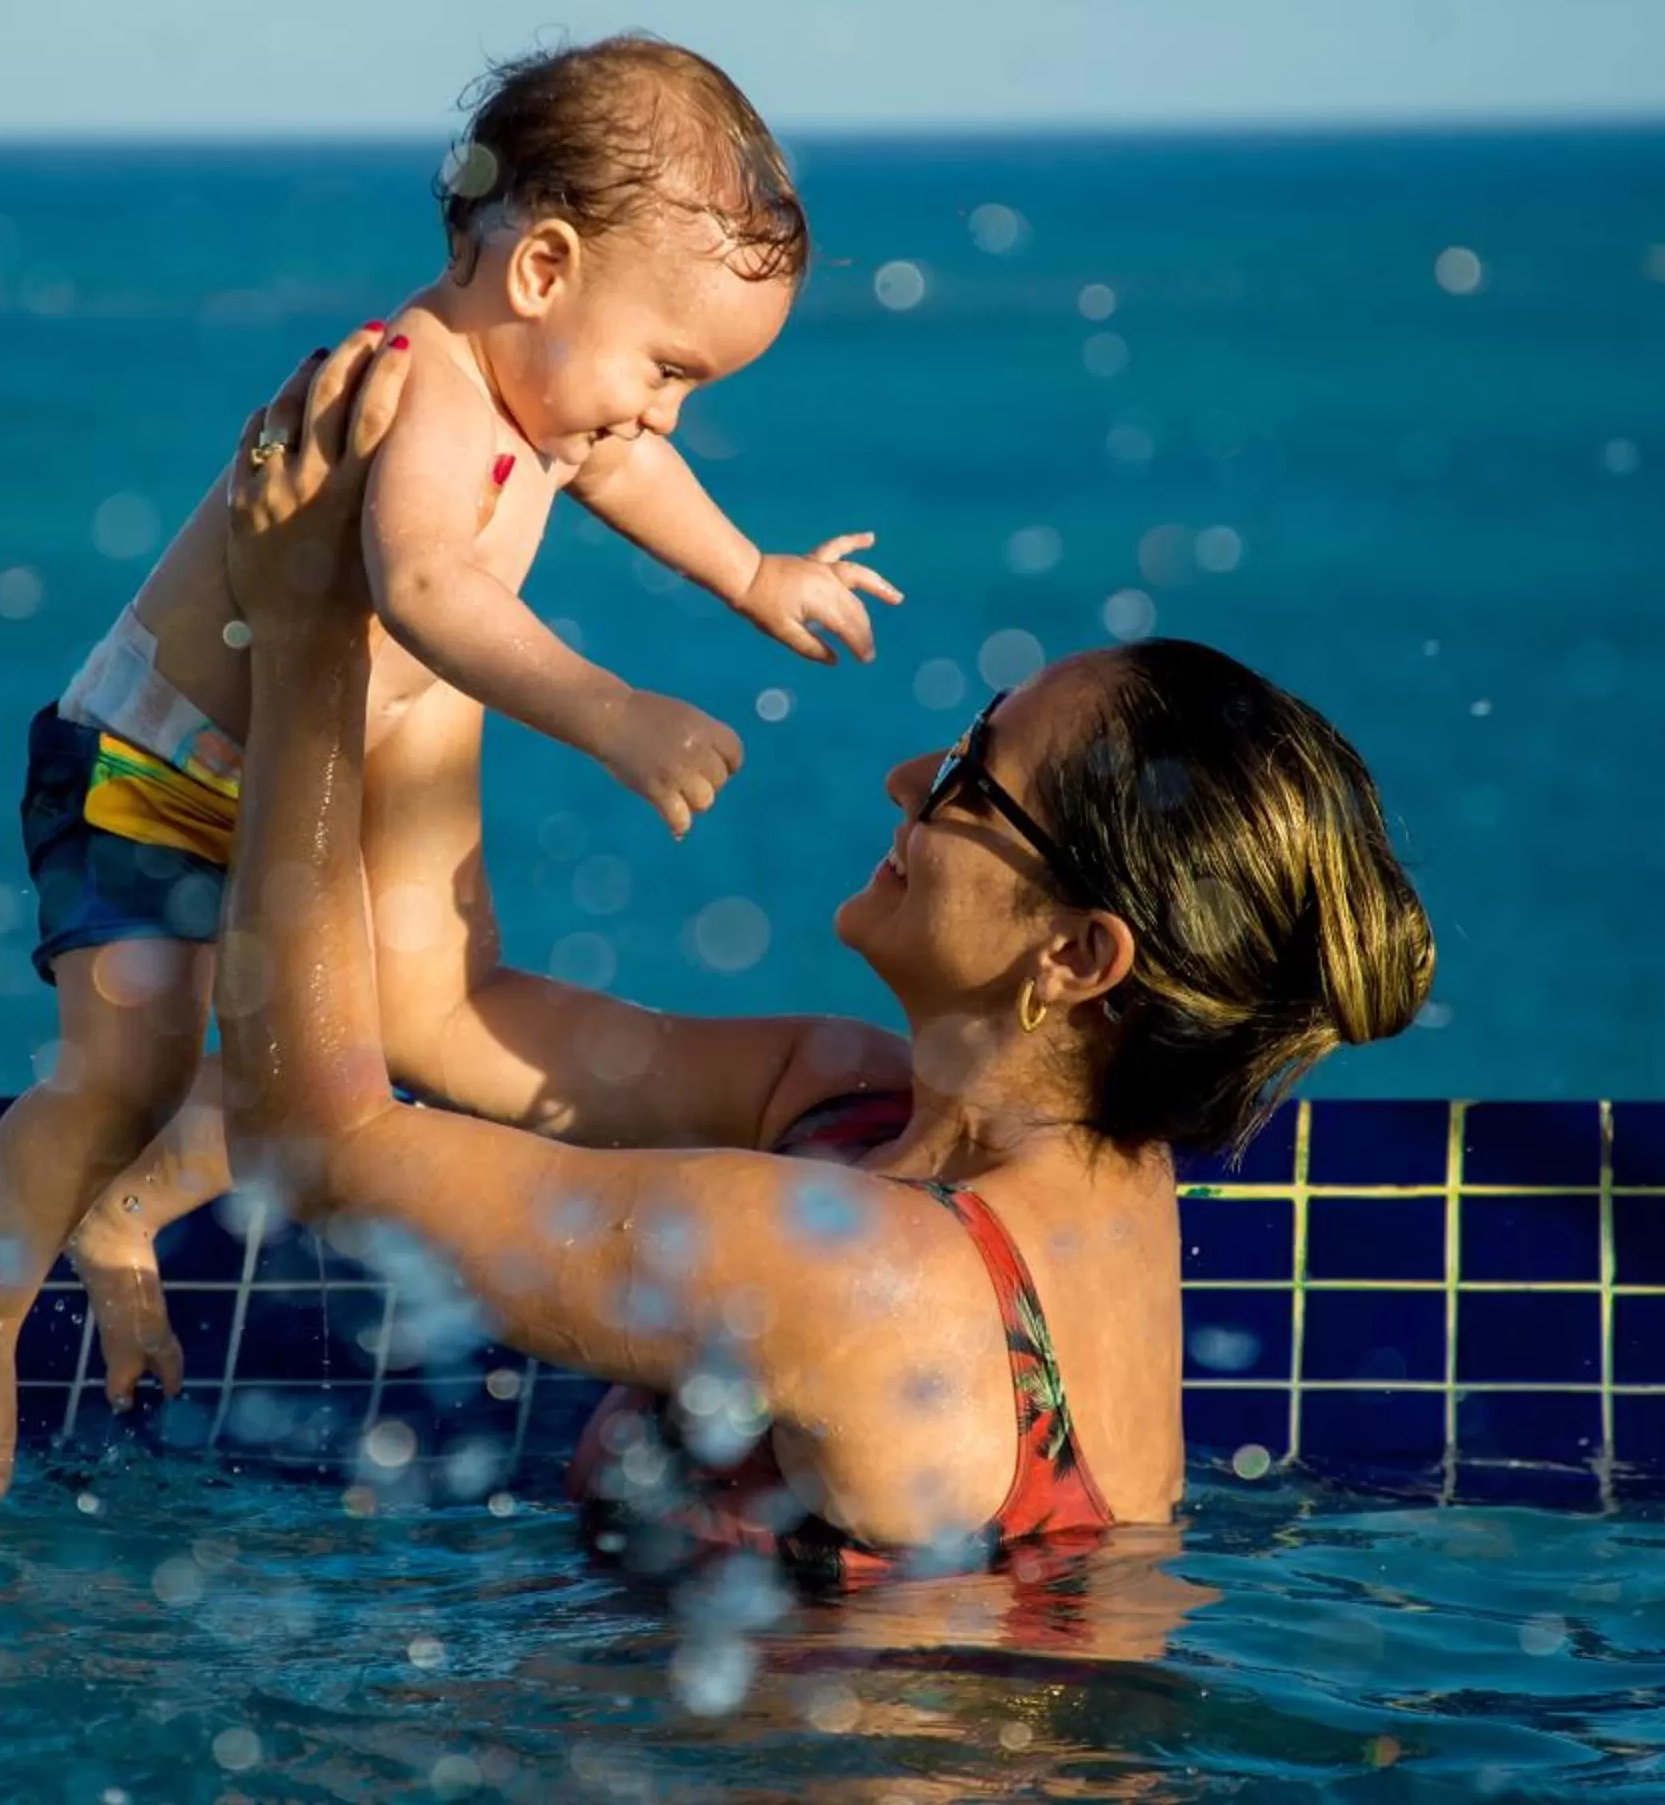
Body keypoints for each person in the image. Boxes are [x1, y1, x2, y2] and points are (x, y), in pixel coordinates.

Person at [205, 327, 1436, 1587]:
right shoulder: (870, 1110)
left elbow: (312, 1149)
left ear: (1076, 954)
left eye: (971, 782)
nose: (909, 777)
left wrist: (302, 651)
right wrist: (439, 599)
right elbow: (439, 1005)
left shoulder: (865, 1268)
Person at [0, 34, 901, 1501]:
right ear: (544, 270)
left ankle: (123, 1220)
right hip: (155, 768)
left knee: (340, 1028)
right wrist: (612, 710)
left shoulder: (544, 391)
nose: (666, 412)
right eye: (669, 368)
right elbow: (430, 588)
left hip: (303, 775)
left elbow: (620, 467)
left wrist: (753, 573)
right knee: (127, 1063)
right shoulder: (418, 385)